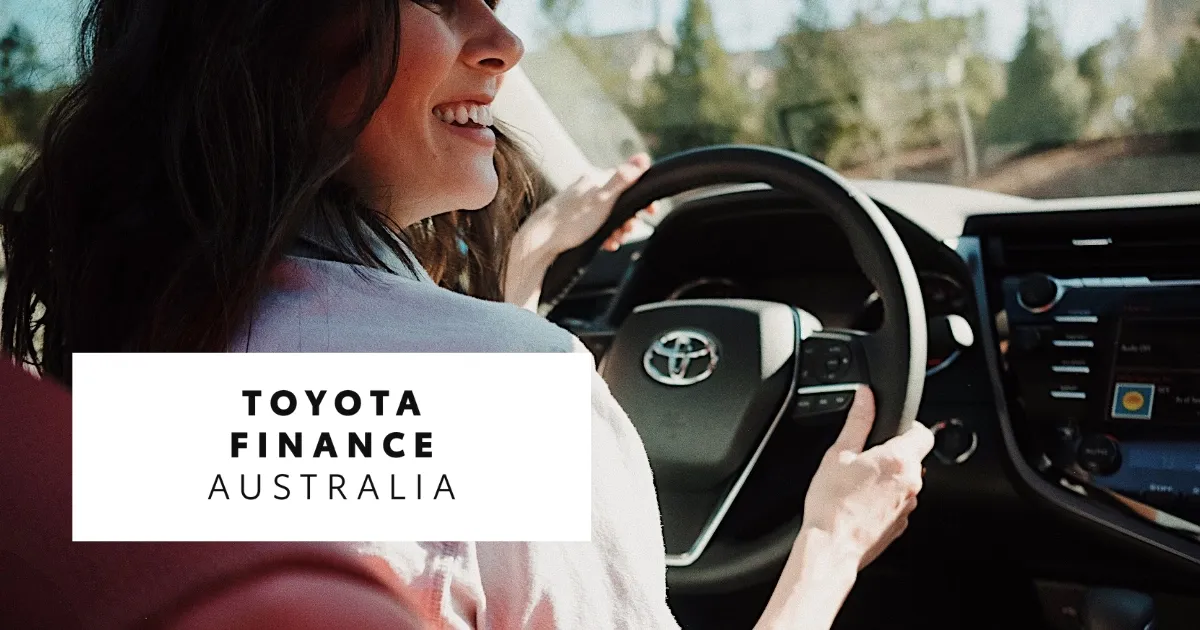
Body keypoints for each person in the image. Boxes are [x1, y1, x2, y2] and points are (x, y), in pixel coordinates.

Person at [0, 1, 933, 629]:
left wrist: (522, 274)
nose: (503, 40)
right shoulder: (510, 391)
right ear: (276, 29)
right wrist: (829, 546)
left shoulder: (131, 348)